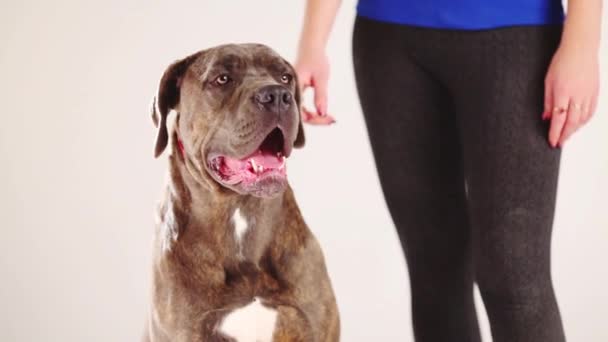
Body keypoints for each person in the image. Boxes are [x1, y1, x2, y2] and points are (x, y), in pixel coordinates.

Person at [295, 0, 602, 341]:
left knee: (514, 277)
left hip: (517, 35)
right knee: (434, 271)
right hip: (389, 39)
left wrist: (582, 45)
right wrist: (312, 42)